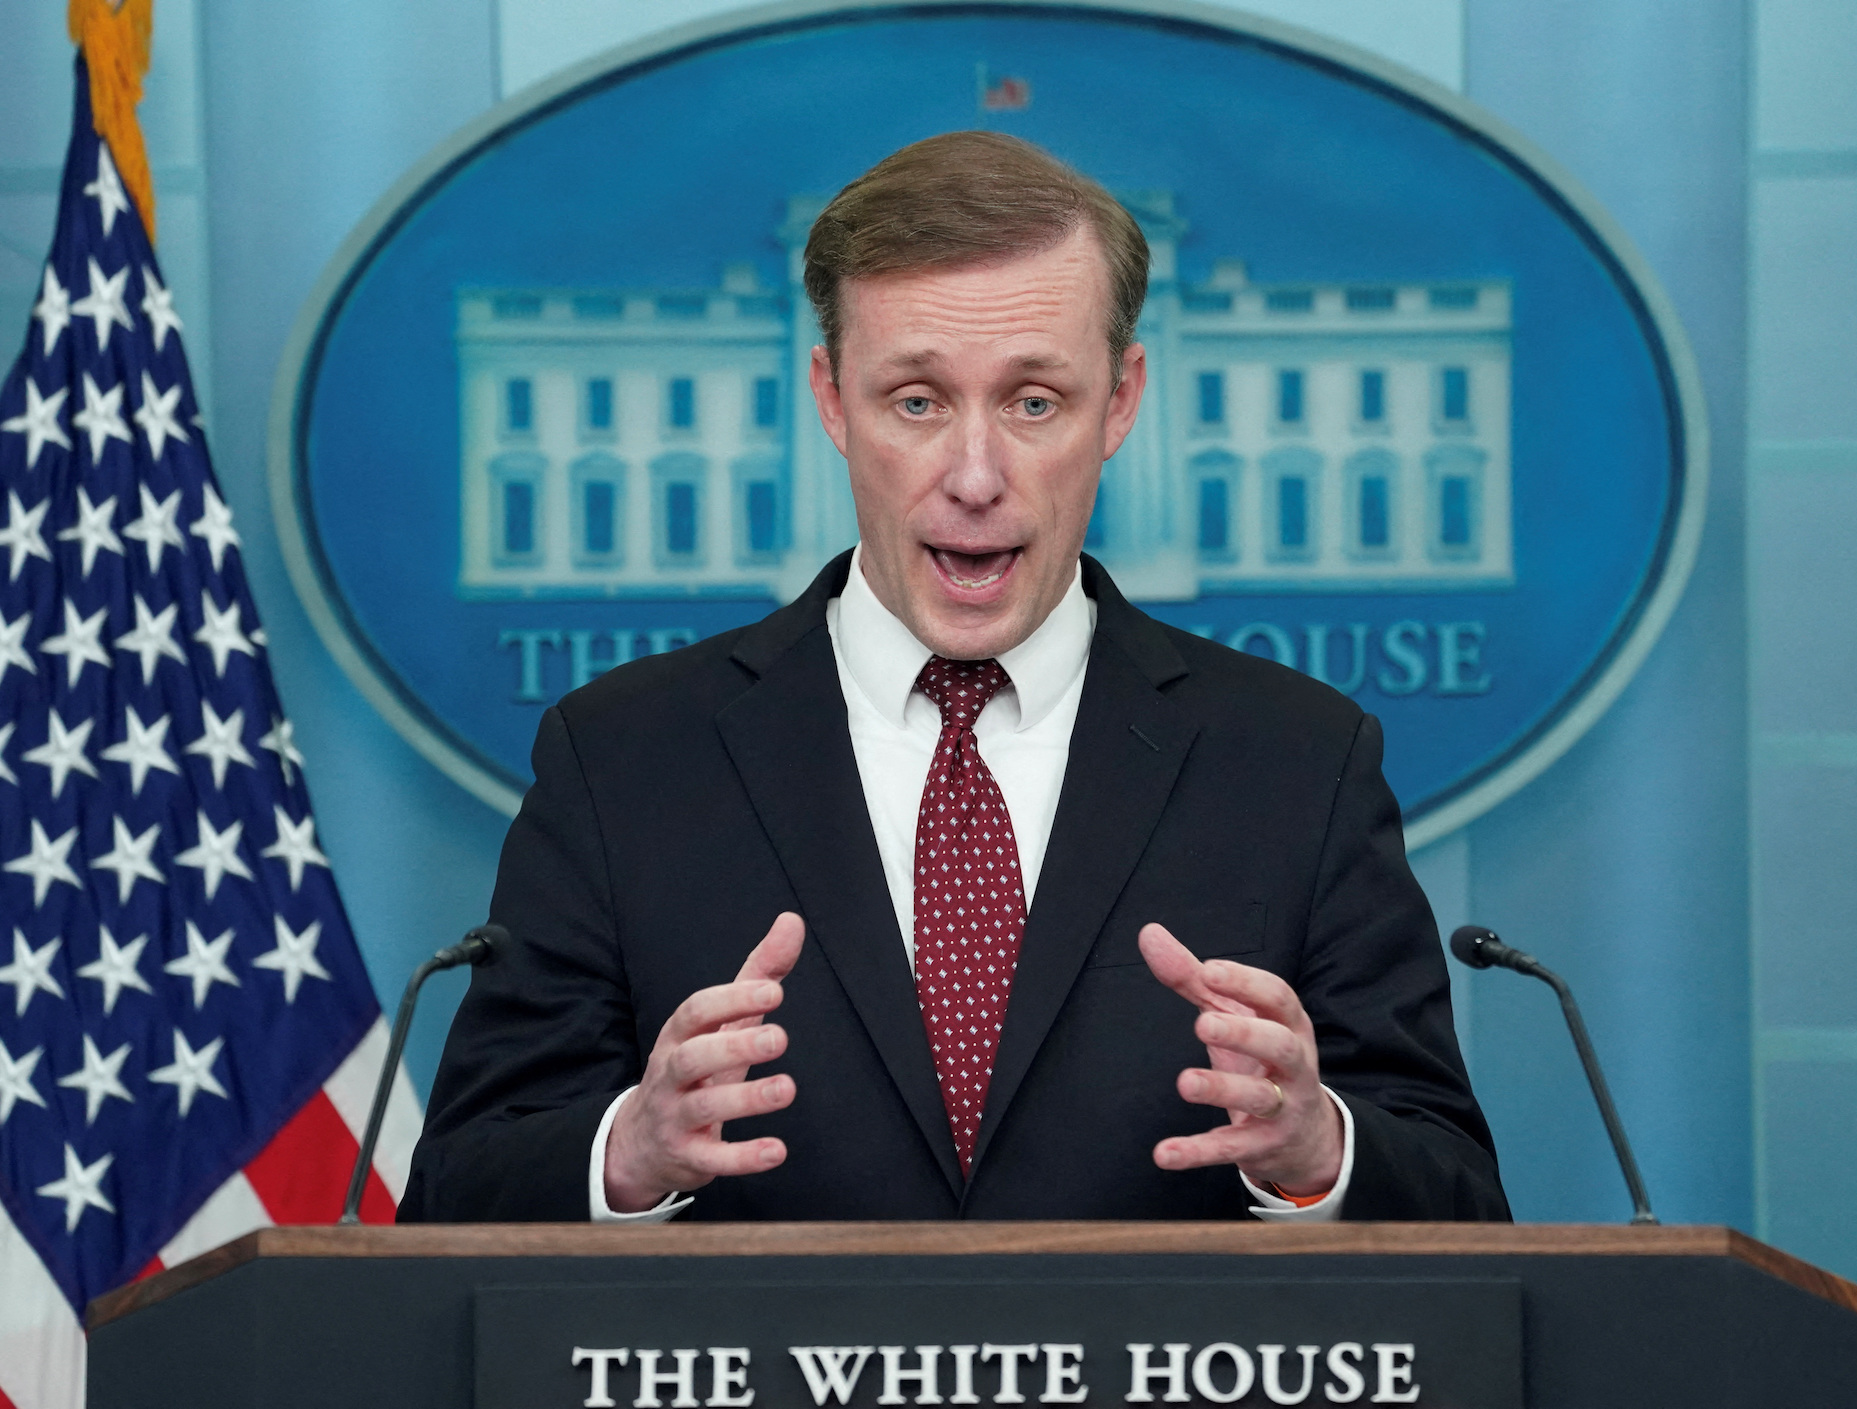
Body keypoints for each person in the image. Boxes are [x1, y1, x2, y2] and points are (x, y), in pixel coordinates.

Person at [400, 132, 1508, 1224]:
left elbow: (1460, 1202)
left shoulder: (1297, 761)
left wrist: (1316, 1152)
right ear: (832, 400)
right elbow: (454, 1194)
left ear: (1119, 401)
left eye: (1033, 401)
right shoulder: (624, 758)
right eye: (917, 400)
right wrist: (629, 1153)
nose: (975, 476)